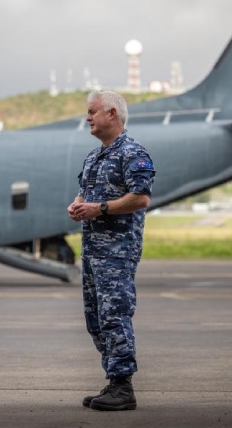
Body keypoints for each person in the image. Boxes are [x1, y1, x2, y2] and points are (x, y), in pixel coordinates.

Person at [67, 90, 156, 411]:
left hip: (117, 251)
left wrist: (100, 208)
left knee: (114, 315)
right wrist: (78, 205)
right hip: (93, 251)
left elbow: (140, 198)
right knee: (96, 319)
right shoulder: (95, 156)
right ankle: (113, 380)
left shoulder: (132, 152)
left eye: (93, 111)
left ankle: (123, 386)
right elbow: (85, 195)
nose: (88, 117)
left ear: (112, 114)